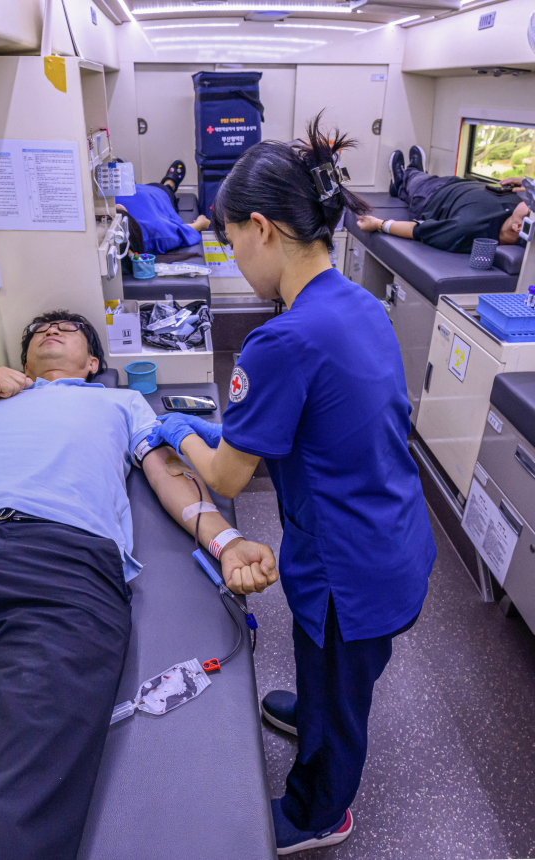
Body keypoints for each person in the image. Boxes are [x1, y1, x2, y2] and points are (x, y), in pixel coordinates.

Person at [145, 114, 437, 856]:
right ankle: (311, 713)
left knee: (339, 692)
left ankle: (320, 811)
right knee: (327, 674)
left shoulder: (281, 340)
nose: (233, 256)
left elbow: (223, 474)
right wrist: (221, 427)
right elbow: (316, 421)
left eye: (230, 241)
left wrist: (173, 430)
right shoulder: (355, 304)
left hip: (351, 568)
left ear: (262, 229)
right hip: (392, 530)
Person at [0, 310, 278, 860]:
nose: (51, 330)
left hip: (62, 562)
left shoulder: (121, 402)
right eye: (39, 330)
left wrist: (227, 541)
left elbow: (167, 473)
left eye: (67, 328)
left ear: (93, 362)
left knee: (3, 810)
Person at [356, 145, 529, 253]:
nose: (531, 201)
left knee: (415, 178)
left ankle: (404, 177)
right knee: (419, 180)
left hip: (431, 196)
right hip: (458, 183)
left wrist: (379, 224)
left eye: (531, 207)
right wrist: (525, 182)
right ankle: (404, 183)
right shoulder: (520, 207)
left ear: (518, 227)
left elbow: (418, 230)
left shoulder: (468, 228)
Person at [115, 159, 211, 256]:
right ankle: (170, 184)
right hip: (159, 194)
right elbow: (182, 231)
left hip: (133, 189)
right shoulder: (153, 231)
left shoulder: (109, 204)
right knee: (167, 189)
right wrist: (201, 223)